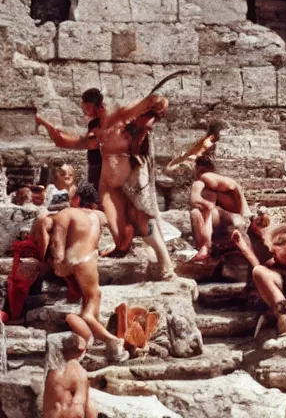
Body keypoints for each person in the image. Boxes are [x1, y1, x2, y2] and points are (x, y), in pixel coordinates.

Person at [36, 91, 176, 280]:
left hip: (130, 177)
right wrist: (43, 122)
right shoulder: (96, 128)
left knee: (143, 221)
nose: (83, 109)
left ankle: (165, 264)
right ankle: (125, 248)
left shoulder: (120, 116)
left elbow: (151, 102)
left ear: (94, 104)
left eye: (84, 105)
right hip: (107, 185)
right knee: (120, 235)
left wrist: (158, 102)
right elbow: (67, 141)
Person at [45, 186, 129, 362]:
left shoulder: (66, 213)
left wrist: (57, 265)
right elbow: (120, 232)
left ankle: (93, 337)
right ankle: (111, 340)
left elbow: (57, 246)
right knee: (91, 303)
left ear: (76, 199)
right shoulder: (99, 216)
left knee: (93, 297)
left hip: (72, 260)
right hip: (87, 260)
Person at [35, 88, 105, 190]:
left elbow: (89, 142)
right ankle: (43, 122)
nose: (83, 110)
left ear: (89, 105)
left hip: (100, 168)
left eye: (84, 107)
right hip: (96, 166)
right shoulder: (95, 122)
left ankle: (42, 121)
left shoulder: (101, 121)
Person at [189, 156, 252, 261]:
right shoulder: (223, 185)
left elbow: (194, 200)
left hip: (227, 216)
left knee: (198, 211)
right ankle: (205, 247)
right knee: (201, 210)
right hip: (233, 216)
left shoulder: (203, 180)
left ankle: (205, 247)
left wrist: (207, 205)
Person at [43, 334, 94, 418]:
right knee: (91, 405)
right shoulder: (78, 372)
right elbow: (78, 410)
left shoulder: (52, 372)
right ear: (82, 351)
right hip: (66, 414)